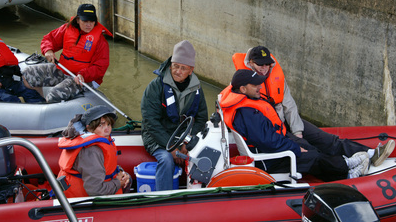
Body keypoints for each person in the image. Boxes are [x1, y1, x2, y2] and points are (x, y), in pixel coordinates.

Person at [232, 46, 395, 168]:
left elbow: (289, 104)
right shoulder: (246, 84)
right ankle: (344, 165)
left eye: (267, 64)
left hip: (286, 120)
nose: (264, 68)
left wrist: (297, 130)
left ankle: (371, 153)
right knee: (309, 150)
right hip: (274, 128)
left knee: (326, 139)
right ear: (250, 63)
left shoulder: (276, 77)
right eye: (260, 64)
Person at [220, 69, 394, 181]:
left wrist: (296, 143)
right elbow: (268, 141)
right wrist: (295, 149)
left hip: (272, 145)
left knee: (307, 146)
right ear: (242, 89)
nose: (259, 86)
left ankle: (345, 162)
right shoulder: (246, 113)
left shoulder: (246, 103)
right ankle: (347, 170)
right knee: (310, 156)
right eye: (255, 84)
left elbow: (269, 135)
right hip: (268, 159)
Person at [141, 40, 208, 191]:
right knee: (166, 159)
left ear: (191, 70)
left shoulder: (197, 88)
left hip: (183, 136)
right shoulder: (155, 87)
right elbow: (151, 121)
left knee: (205, 155)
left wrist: (186, 142)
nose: (177, 71)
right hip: (157, 137)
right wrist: (171, 148)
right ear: (170, 64)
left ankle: (198, 196)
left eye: (183, 68)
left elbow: (202, 118)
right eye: (175, 66)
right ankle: (163, 200)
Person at [22, 4, 112, 103]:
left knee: (54, 95)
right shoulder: (67, 29)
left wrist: (83, 75)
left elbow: (100, 67)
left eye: (92, 21)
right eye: (85, 21)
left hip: (85, 78)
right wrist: (48, 50)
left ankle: (50, 105)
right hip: (64, 70)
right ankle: (40, 102)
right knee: (27, 75)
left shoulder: (100, 41)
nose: (89, 25)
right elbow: (49, 39)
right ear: (78, 20)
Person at [57, 105, 131, 197]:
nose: (107, 130)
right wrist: (118, 183)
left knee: (129, 179)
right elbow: (95, 190)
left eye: (108, 124)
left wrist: (120, 172)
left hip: (98, 190)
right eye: (101, 125)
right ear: (89, 128)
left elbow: (103, 166)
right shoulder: (91, 151)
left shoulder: (97, 143)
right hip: (83, 202)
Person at [0, 34, 45, 103]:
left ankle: (43, 108)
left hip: (9, 82)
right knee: (10, 100)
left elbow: (13, 66)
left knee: (31, 93)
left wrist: (24, 74)